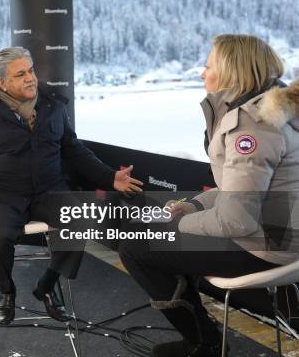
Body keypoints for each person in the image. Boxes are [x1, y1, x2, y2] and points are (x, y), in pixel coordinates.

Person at [119, 34, 299, 357]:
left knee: (134, 246)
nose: (202, 73)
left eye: (208, 65)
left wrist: (180, 224)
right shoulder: (275, 109)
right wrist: (191, 206)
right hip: (285, 236)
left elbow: (236, 219)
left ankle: (204, 345)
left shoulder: (252, 125)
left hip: (266, 246)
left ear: (231, 72)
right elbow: (239, 189)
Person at [0, 46, 143, 325]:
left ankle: (47, 285)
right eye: (20, 74)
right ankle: (6, 290)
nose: (31, 78)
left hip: (49, 190)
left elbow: (74, 150)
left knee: (81, 219)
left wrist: (110, 177)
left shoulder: (54, 106)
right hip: (1, 194)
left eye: (31, 70)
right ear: (2, 83)